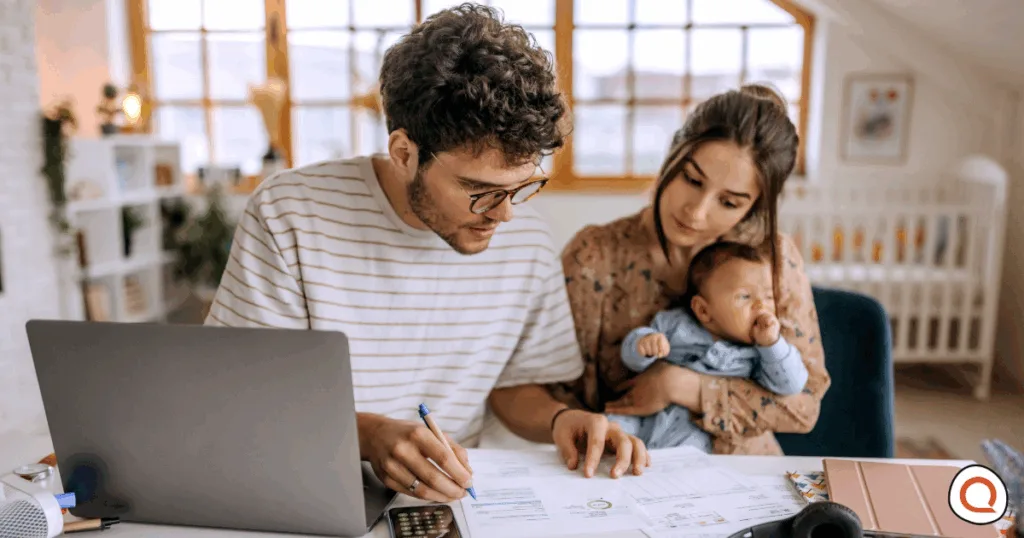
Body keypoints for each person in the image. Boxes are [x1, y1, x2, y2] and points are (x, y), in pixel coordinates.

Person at [204, 3, 649, 504]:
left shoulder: (527, 238)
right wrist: (369, 436)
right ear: (403, 152)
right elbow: (242, 398)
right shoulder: (292, 213)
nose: (504, 215)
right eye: (479, 190)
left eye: (522, 186)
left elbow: (513, 387)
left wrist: (561, 419)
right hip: (308, 487)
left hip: (455, 501)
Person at [549, 83, 832, 456]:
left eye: (729, 202)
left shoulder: (773, 259)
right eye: (692, 180)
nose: (696, 212)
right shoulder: (593, 256)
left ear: (755, 206)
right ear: (672, 155)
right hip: (625, 470)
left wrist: (682, 386)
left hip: (744, 479)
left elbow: (804, 405)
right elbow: (554, 394)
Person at [606, 241, 809, 451]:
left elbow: (791, 385)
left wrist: (772, 345)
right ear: (703, 310)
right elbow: (631, 360)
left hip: (694, 427)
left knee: (688, 454)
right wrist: (643, 345)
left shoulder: (760, 354)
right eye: (745, 296)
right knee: (610, 426)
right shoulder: (676, 324)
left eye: (768, 296)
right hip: (645, 416)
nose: (761, 305)